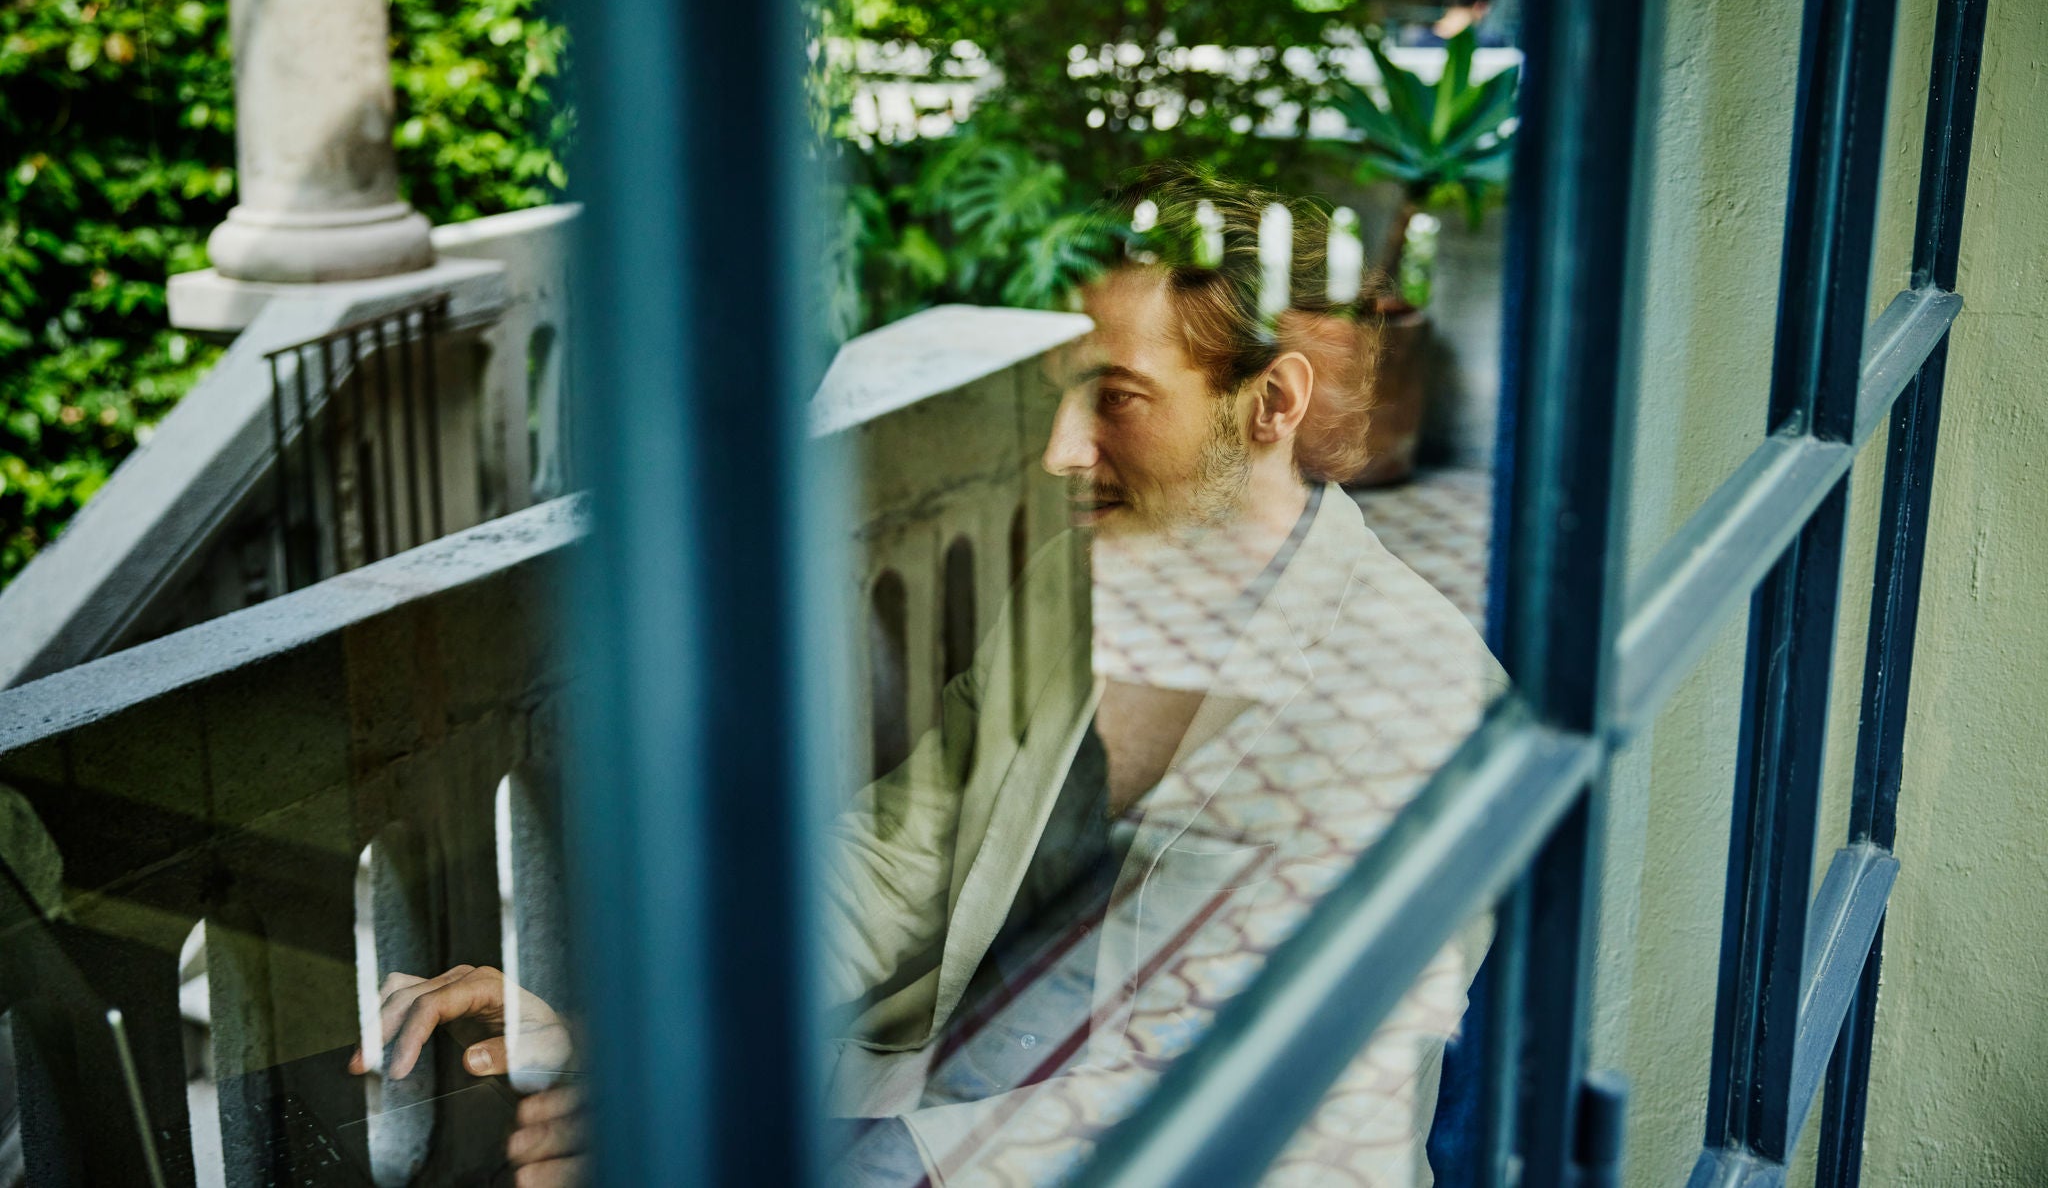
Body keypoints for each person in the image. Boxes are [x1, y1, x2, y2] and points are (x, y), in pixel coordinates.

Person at [365, 164, 1500, 1186]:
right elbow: (902, 855)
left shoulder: (1417, 698)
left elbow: (1254, 1096)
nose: (1059, 450)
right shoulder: (1077, 588)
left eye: (1116, 396)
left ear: (1273, 402)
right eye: (1059, 393)